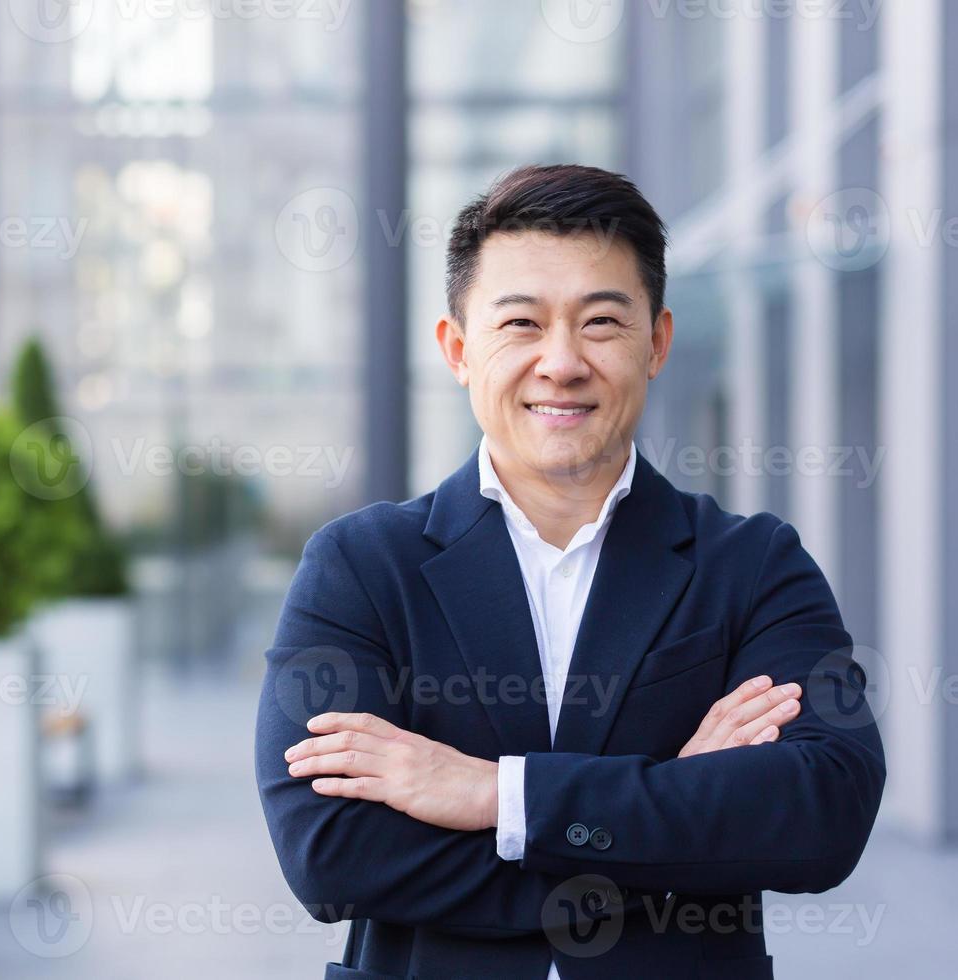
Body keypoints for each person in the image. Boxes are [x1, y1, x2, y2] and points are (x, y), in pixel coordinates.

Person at [254, 164, 885, 979]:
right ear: (458, 348)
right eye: (520, 323)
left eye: (600, 323)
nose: (561, 362)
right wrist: (671, 805)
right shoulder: (362, 568)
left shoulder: (753, 565)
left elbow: (822, 812)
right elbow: (330, 853)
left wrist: (497, 796)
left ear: (655, 343)